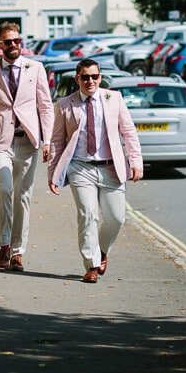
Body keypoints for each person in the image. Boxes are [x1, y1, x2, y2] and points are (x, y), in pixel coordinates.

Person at [47, 59, 143, 283]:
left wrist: (136, 161)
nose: (90, 81)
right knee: (88, 215)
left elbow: (129, 132)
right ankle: (91, 265)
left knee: (117, 218)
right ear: (77, 79)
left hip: (111, 167)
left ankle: (101, 251)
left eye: (95, 77)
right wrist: (53, 172)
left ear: (100, 78)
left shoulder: (114, 99)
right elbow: (57, 142)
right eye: (85, 77)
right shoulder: (64, 104)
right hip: (81, 168)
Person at [0, 22, 53, 272]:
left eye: (18, 41)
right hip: (1, 142)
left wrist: (48, 139)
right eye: (9, 42)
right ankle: (5, 244)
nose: (14, 45)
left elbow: (45, 106)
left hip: (28, 142)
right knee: (5, 190)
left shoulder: (36, 68)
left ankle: (19, 252)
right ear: (0, 45)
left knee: (23, 197)